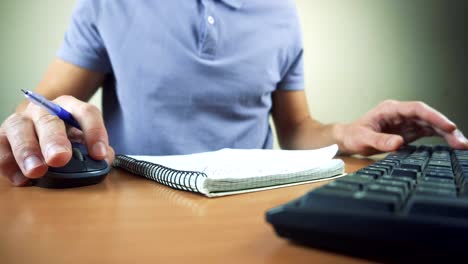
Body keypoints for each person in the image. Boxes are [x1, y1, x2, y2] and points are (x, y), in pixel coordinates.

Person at [1, 0, 467, 186]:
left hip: (256, 201)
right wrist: (39, 122)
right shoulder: (108, 4)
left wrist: (346, 132)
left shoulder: (282, 14)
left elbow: (297, 129)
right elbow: (45, 107)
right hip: (141, 200)